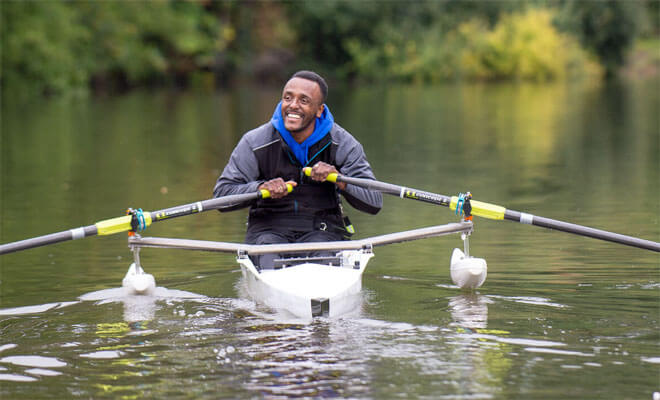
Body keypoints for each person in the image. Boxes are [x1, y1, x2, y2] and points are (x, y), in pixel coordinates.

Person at [213, 70, 382, 268]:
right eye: (288, 98)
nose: (293, 105)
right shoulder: (254, 142)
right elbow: (221, 197)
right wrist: (260, 189)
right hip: (268, 233)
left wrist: (340, 180)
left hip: (323, 232)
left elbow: (374, 201)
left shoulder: (344, 144)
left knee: (325, 259)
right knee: (269, 257)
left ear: (319, 110)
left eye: (303, 100)